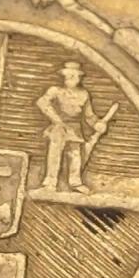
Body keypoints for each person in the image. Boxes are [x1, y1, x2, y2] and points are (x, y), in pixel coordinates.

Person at [36, 62, 103, 192]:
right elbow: (42, 102)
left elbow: (89, 115)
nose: (71, 79)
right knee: (55, 153)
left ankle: (75, 183)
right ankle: (50, 182)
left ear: (78, 77)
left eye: (74, 76)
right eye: (68, 76)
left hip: (74, 128)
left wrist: (97, 124)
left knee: (75, 154)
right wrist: (56, 118)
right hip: (59, 127)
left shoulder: (84, 94)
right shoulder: (55, 90)